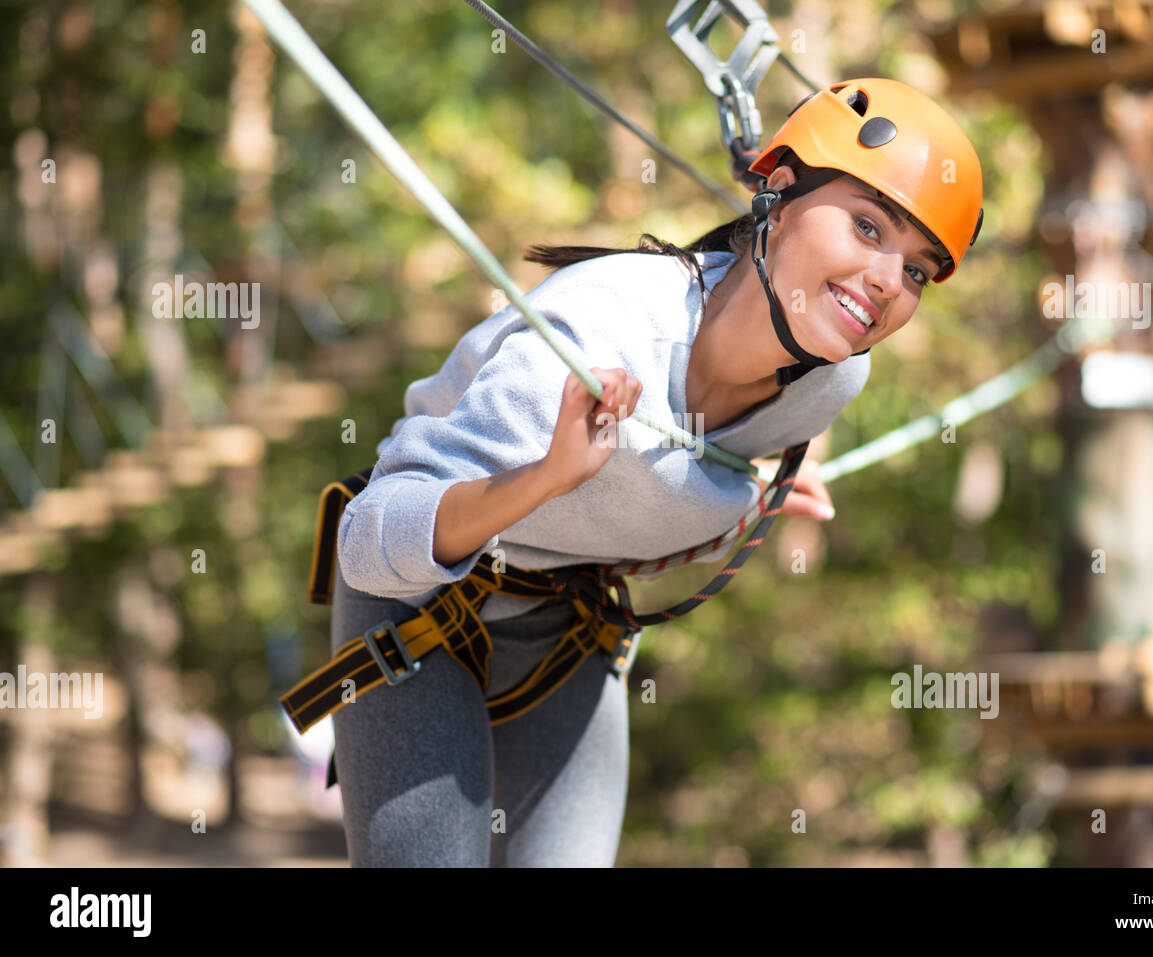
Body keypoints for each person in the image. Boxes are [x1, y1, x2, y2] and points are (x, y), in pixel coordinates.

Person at [327, 77, 983, 866]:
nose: (886, 282)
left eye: (916, 270)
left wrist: (749, 497)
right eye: (869, 227)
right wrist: (543, 476)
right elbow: (364, 541)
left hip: (565, 624)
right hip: (415, 605)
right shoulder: (596, 337)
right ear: (775, 194)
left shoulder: (831, 377)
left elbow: (653, 485)